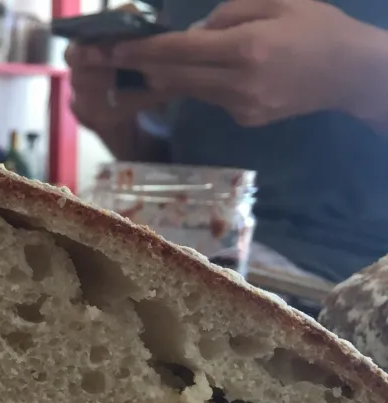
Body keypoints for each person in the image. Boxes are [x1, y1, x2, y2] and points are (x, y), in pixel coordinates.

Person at [67, 0, 388, 284]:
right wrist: (119, 124)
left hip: (356, 274)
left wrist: (357, 69)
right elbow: (178, 157)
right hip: (198, 246)